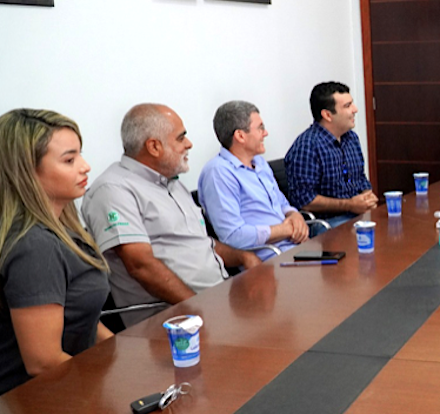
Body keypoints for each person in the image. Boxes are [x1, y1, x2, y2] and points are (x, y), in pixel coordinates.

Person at [82, 104, 261, 327]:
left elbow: (198, 244)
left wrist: (244, 257)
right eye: (180, 138)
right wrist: (200, 309)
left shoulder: (172, 184)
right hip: (173, 321)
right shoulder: (113, 190)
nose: (189, 144)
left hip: (217, 301)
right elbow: (141, 265)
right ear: (154, 146)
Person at [0, 109, 112, 395]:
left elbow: (82, 316)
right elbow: (44, 362)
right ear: (27, 171)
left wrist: (123, 357)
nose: (85, 167)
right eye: (69, 160)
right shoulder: (36, 246)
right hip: (37, 408)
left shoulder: (63, 227)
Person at [198, 101, 308, 261]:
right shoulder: (218, 173)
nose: (266, 133)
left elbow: (282, 204)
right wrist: (284, 230)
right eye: (260, 128)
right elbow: (233, 236)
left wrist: (295, 215)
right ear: (240, 136)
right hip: (269, 259)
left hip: (296, 247)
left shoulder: (260, 163)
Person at [285, 82, 377, 234]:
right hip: (327, 222)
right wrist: (349, 205)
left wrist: (368, 197)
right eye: (348, 106)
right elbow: (305, 201)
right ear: (327, 115)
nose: (355, 110)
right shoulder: (307, 146)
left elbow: (360, 179)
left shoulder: (351, 138)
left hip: (357, 214)